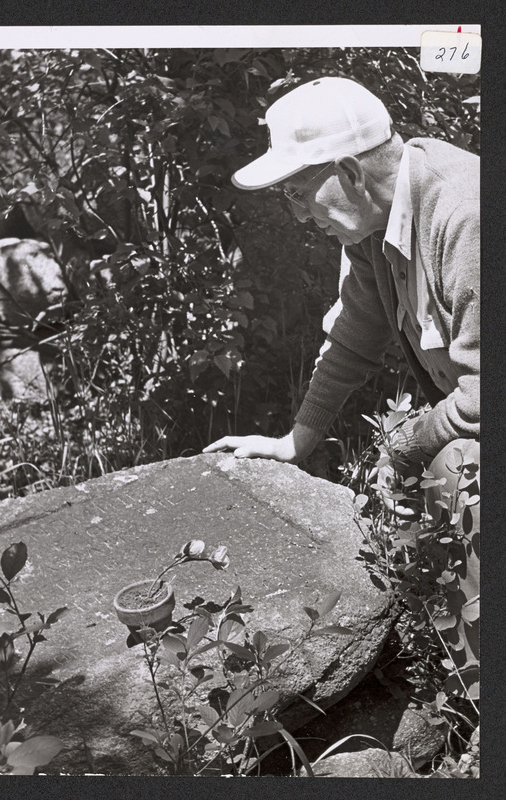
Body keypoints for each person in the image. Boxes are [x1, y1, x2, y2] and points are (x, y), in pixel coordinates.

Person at [203, 77, 479, 686]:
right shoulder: (375, 224)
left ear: (351, 171)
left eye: (299, 193)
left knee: (454, 466)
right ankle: (453, 681)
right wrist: (295, 442)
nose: (298, 214)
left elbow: (486, 400)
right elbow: (355, 333)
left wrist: (403, 448)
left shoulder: (465, 213)